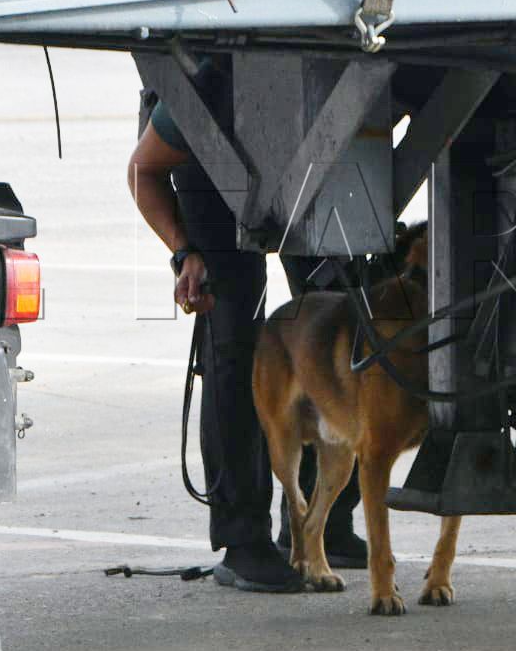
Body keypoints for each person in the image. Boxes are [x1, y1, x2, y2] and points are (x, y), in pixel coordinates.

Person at [127, 59, 364, 592]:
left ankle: (321, 523)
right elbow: (142, 172)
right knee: (234, 342)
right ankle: (243, 541)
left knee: (340, 324)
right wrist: (184, 252)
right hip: (212, 173)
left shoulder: (340, 81)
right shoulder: (211, 91)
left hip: (306, 168)